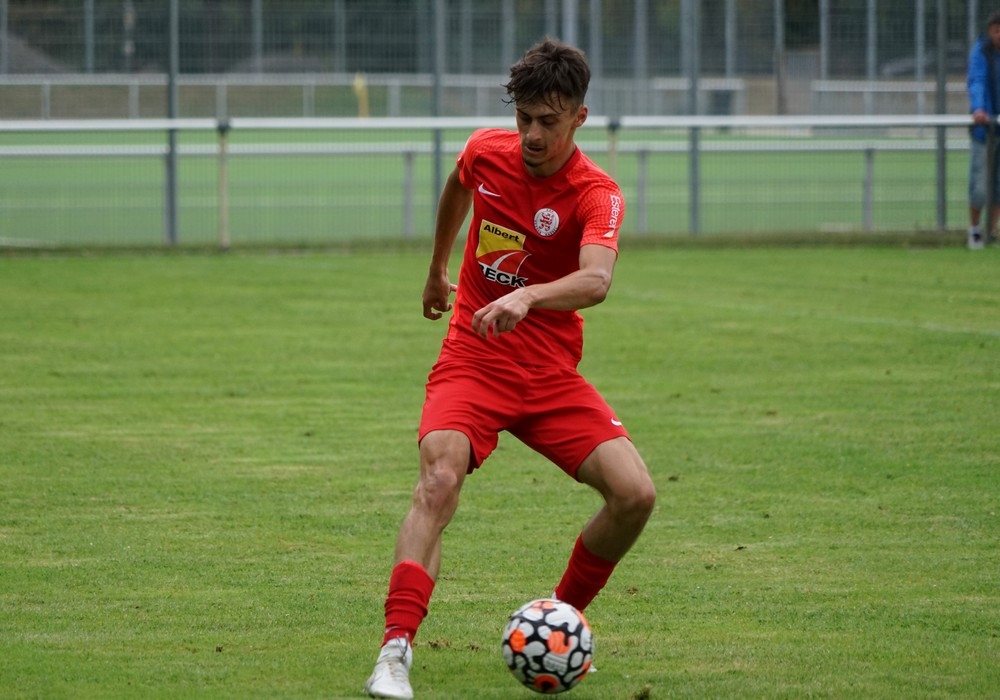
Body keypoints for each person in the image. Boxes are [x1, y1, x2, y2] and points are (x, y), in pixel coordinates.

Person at [363, 38, 657, 699]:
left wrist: (528, 297)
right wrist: (437, 268)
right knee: (438, 481)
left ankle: (556, 621)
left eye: (548, 121)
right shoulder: (486, 152)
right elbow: (457, 186)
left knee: (635, 495)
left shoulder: (596, 193)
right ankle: (394, 652)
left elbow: (597, 280)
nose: (531, 135)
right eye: (523, 118)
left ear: (579, 117)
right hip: (473, 358)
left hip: (549, 374)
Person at [966, 10, 1000, 250]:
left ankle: (992, 231)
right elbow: (976, 81)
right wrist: (979, 109)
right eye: (997, 31)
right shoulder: (981, 51)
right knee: (979, 185)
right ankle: (975, 231)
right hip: (984, 130)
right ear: (990, 31)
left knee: (999, 185)